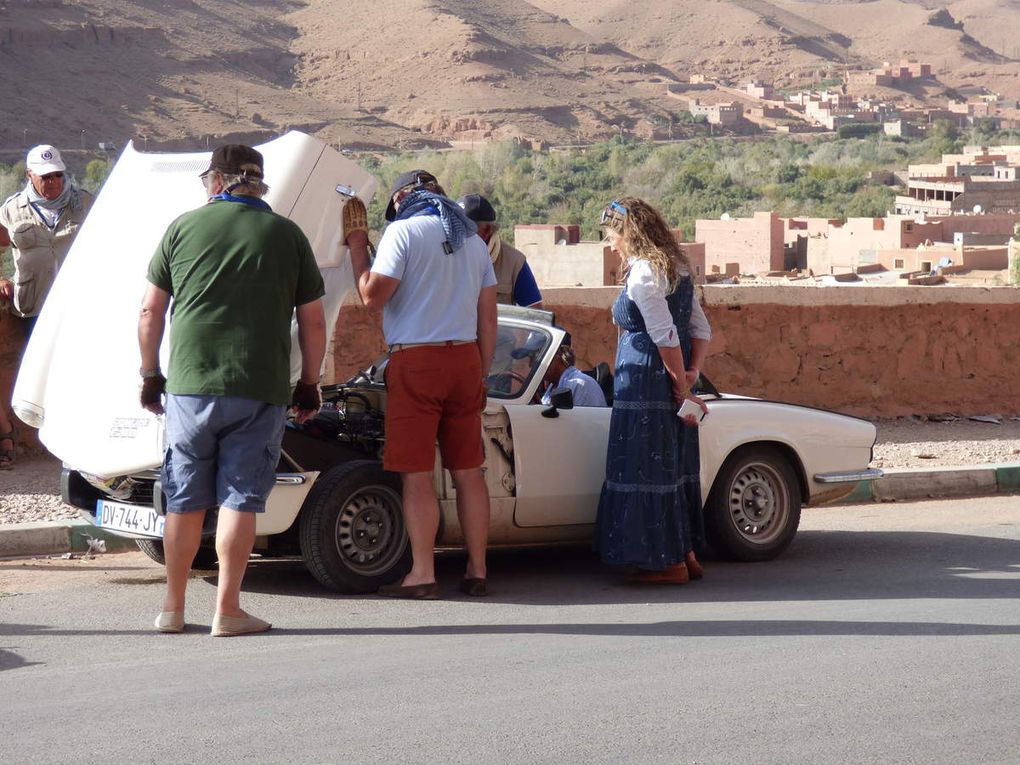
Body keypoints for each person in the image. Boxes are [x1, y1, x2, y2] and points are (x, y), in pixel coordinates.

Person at [138, 144, 327, 635]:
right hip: (258, 386)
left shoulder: (182, 227)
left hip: (189, 386)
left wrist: (149, 374)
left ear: (218, 181)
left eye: (206, 179)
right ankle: (227, 610)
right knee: (239, 498)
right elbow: (313, 322)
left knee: (184, 498)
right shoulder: (287, 236)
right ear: (257, 184)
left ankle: (173, 609)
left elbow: (149, 312)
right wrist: (309, 383)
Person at [349, 170, 497, 599]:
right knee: (469, 472)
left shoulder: (402, 231)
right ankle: (477, 570)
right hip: (466, 359)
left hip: (417, 361)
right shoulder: (472, 239)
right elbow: (488, 317)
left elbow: (372, 296)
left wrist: (360, 249)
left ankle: (422, 574)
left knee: (417, 476)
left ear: (399, 199)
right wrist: (482, 373)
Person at [593, 197, 712, 585]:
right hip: (669, 377)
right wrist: (691, 374)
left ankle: (666, 565)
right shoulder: (677, 267)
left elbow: (664, 335)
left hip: (645, 381)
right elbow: (700, 330)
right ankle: (686, 553)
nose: (611, 245)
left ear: (630, 234)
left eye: (613, 236)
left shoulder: (645, 272)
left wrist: (680, 383)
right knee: (671, 467)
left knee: (644, 466)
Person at [0, 145, 94, 337]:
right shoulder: (11, 209)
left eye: (58, 174)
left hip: (79, 306)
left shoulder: (85, 203)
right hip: (32, 309)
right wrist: (0, 279)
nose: (53, 181)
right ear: (29, 175)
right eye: (45, 177)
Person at [458, 193, 542, 308]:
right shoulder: (442, 255)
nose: (456, 233)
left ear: (486, 231)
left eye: (464, 229)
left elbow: (534, 316)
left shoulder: (514, 263)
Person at [527, 332, 607, 407]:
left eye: (534, 357)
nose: (531, 365)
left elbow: (589, 421)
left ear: (556, 354)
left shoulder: (581, 385)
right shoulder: (552, 387)